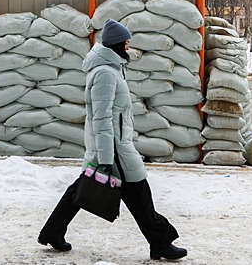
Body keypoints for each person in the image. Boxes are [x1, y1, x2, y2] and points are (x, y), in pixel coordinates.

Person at [37, 19, 188, 261]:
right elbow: (102, 118)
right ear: (117, 45)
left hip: (115, 146)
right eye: (127, 44)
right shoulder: (106, 74)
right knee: (139, 196)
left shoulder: (112, 69)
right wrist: (107, 158)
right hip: (114, 149)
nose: (129, 49)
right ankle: (161, 243)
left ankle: (52, 232)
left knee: (83, 189)